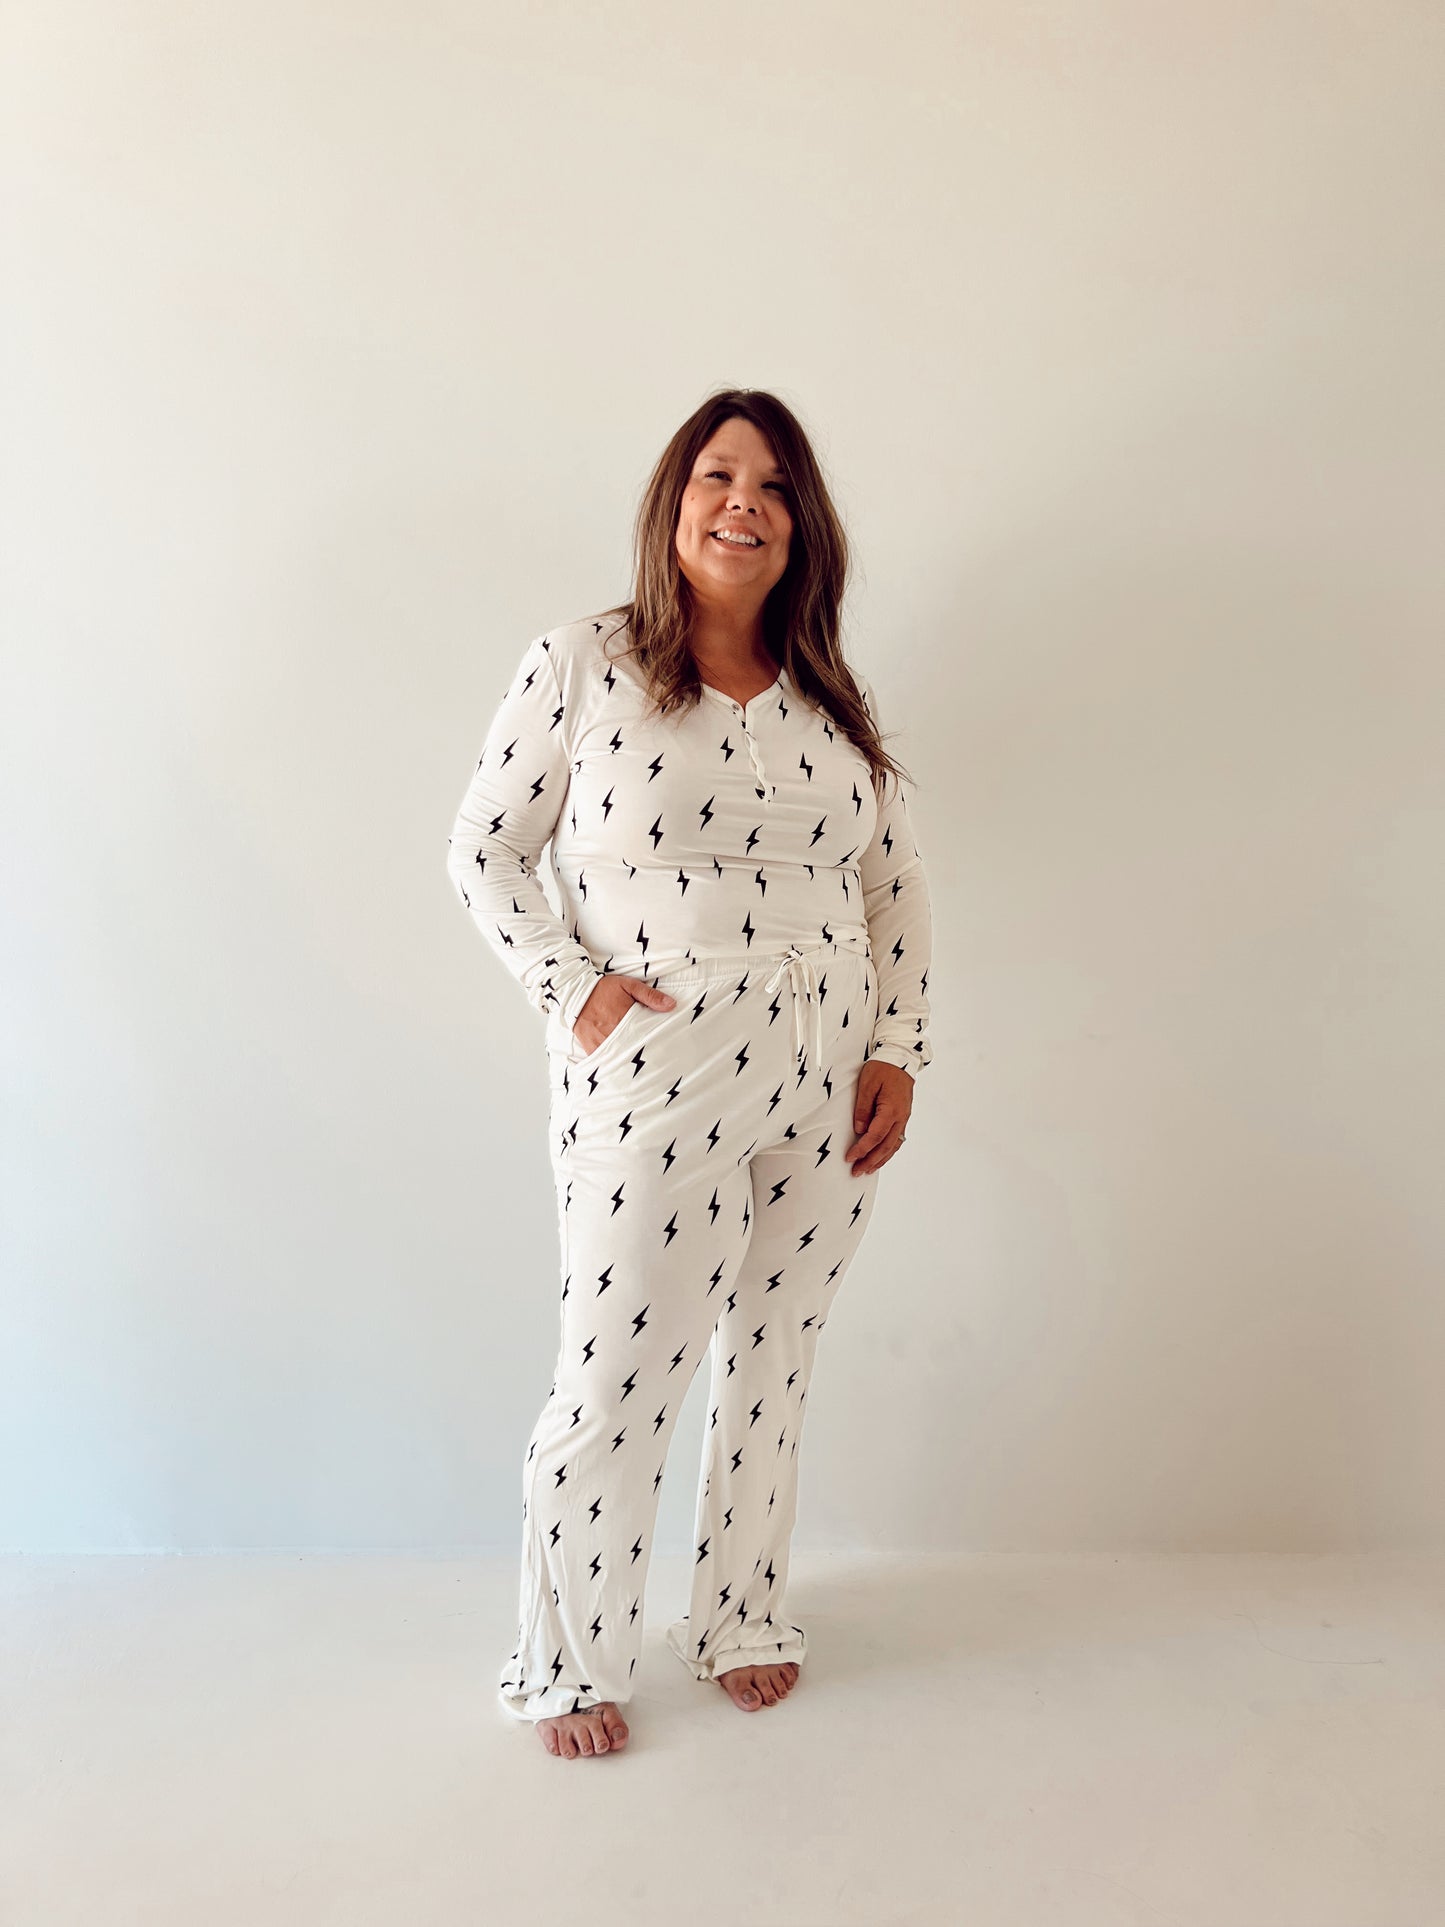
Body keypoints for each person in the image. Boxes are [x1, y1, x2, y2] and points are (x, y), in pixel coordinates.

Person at [445, 388, 933, 1760]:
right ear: (672, 505)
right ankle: (566, 1656)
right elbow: (481, 848)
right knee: (618, 1373)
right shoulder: (582, 661)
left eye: (773, 488)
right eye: (718, 477)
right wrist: (578, 990)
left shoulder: (831, 695)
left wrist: (896, 1046)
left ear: (802, 527)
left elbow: (892, 887)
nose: (743, 503)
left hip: (825, 1070)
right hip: (656, 1070)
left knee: (773, 1360)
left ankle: (739, 1615)